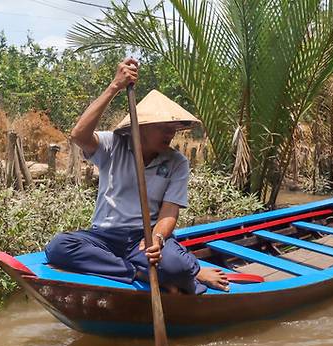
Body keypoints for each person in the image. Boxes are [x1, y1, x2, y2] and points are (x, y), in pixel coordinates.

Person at [44, 58, 229, 294]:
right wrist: (115, 86)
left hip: (143, 238)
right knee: (59, 247)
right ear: (140, 127)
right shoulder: (113, 145)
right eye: (163, 128)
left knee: (178, 268)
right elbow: (79, 135)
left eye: (172, 129)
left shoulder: (176, 162)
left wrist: (158, 239)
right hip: (104, 237)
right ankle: (135, 272)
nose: (170, 134)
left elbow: (169, 212)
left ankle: (179, 269)